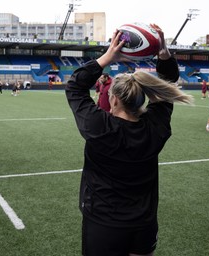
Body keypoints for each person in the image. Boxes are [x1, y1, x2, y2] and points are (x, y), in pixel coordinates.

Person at [65, 25, 193, 256]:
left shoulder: (99, 126)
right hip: (143, 223)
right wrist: (162, 52)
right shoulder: (155, 128)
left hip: (103, 223)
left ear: (112, 100)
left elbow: (75, 86)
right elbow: (168, 83)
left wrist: (107, 56)